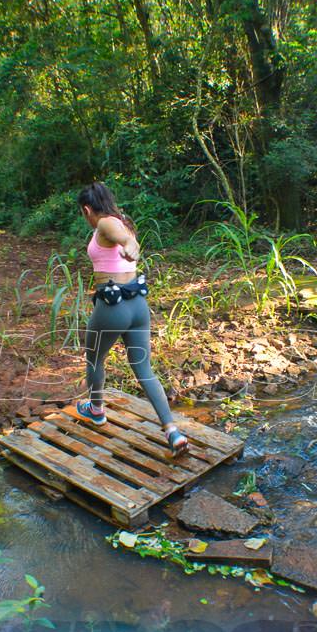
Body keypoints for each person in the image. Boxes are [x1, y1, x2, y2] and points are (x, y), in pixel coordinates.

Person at [75, 181, 189, 456]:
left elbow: (121, 237)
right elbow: (124, 237)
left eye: (83, 213)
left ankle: (97, 410)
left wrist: (130, 244)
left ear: (87, 209)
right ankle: (172, 431)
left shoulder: (105, 224)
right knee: (143, 369)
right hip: (138, 305)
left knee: (94, 359)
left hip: (113, 306)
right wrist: (130, 242)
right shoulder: (122, 220)